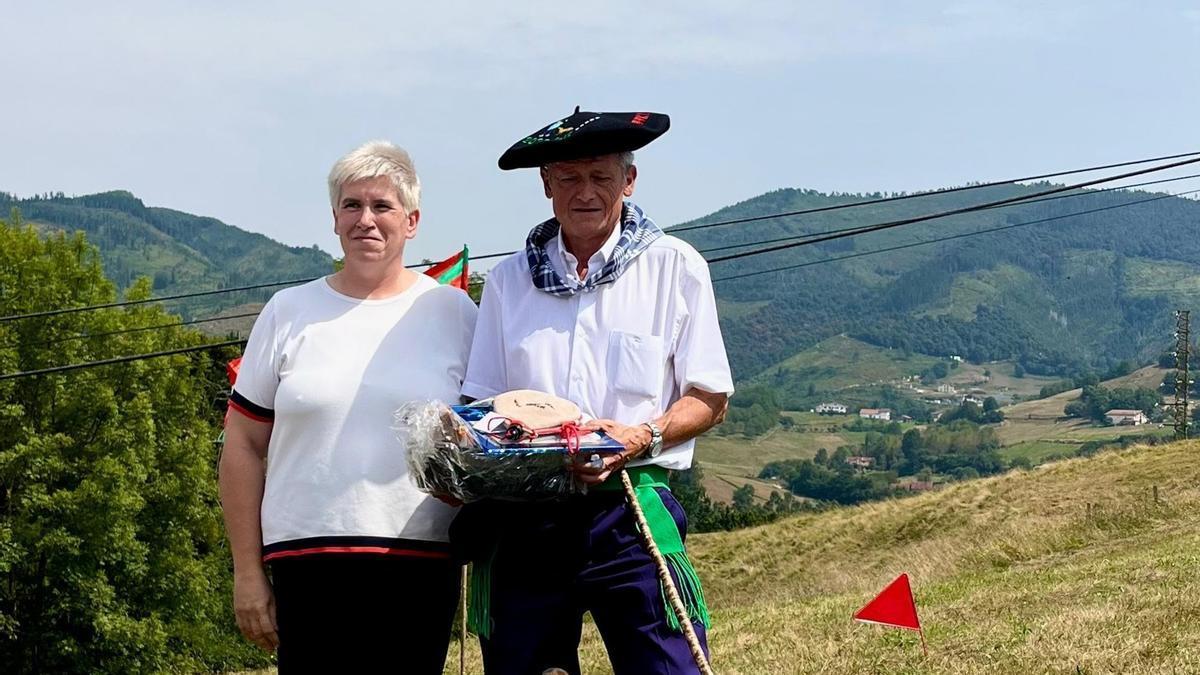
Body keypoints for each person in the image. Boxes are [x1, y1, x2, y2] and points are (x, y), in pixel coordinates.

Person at [457, 108, 734, 674]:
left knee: (670, 669)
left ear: (628, 181)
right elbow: (480, 402)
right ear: (546, 185)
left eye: (601, 177)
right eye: (569, 178)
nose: (585, 192)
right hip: (525, 519)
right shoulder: (510, 281)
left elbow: (710, 398)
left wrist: (640, 435)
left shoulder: (673, 267)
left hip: (630, 512)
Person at [218, 140, 477, 672]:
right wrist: (247, 571)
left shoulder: (453, 312)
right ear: (334, 219)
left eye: (382, 206)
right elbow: (242, 445)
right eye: (351, 206)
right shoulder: (288, 312)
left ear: (412, 220)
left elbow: (488, 435)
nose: (366, 220)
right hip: (305, 567)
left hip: (419, 563)